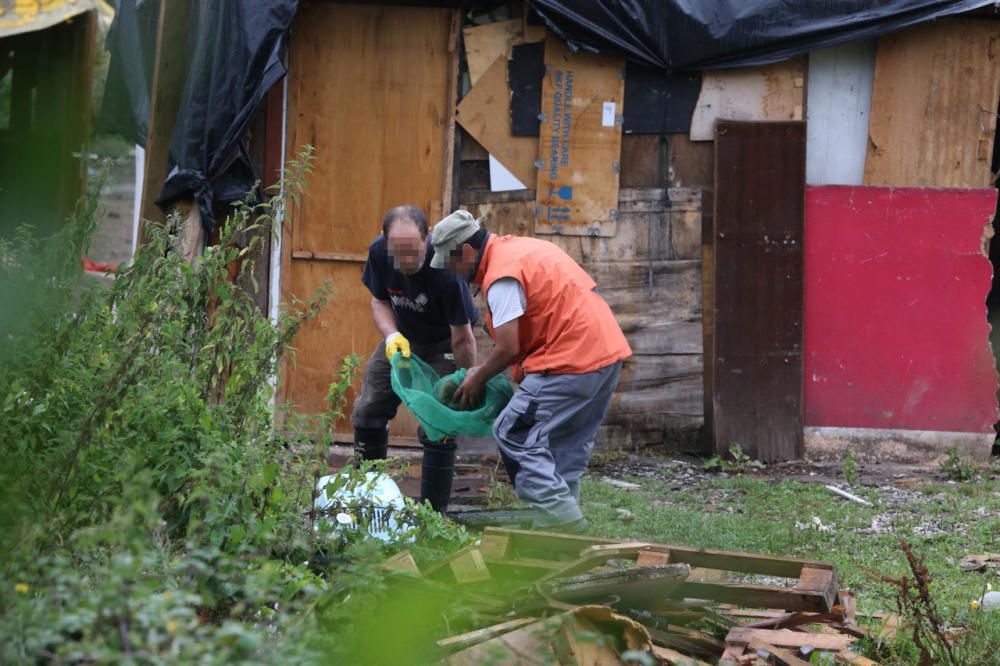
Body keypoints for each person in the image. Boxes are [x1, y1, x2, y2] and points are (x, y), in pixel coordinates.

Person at [430, 210, 632, 530]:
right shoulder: (521, 249)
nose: (452, 273)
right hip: (605, 356)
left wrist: (477, 378)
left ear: (466, 251)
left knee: (513, 433)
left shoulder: (501, 276)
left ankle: (570, 528)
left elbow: (509, 347)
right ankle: (558, 541)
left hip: (569, 361)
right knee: (563, 448)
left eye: (451, 263)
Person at [352, 205, 478, 512]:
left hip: (445, 342)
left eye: (413, 251)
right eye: (399, 251)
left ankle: (433, 512)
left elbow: (463, 335)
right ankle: (367, 497)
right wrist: (391, 336)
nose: (406, 260)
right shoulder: (379, 252)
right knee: (368, 406)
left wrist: (465, 377)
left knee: (439, 422)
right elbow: (379, 301)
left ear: (428, 239)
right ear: (385, 240)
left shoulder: (447, 269)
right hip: (402, 337)